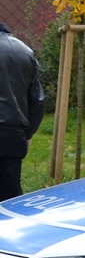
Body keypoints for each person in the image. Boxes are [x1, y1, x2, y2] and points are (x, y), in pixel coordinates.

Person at [0, 21, 45, 201]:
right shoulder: (25, 51)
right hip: (12, 135)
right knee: (11, 196)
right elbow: (37, 99)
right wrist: (28, 133)